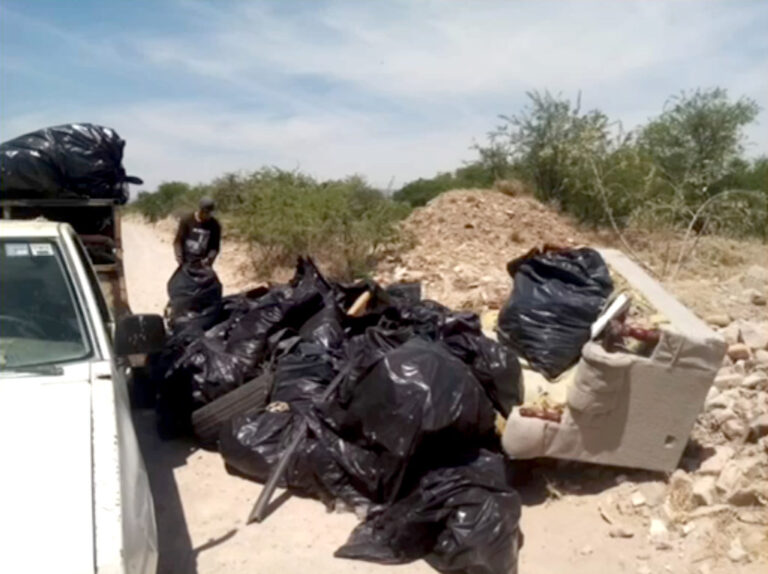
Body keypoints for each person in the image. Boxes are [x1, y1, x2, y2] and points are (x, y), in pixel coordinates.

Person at [173, 197, 221, 267]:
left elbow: (215, 247)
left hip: (203, 264)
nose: (208, 216)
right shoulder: (187, 220)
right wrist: (179, 257)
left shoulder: (215, 225)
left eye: (210, 213)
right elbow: (178, 241)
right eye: (206, 213)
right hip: (186, 262)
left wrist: (209, 259)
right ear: (200, 211)